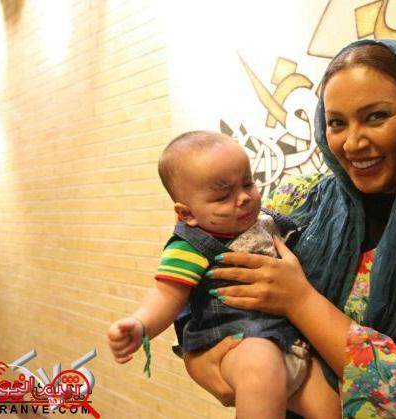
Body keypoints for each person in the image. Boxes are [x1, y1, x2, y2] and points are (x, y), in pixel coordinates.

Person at [183, 39, 396, 418]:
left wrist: (300, 301)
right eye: (337, 123)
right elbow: (205, 269)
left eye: (376, 116)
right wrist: (197, 356)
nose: (353, 142)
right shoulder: (298, 200)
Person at [107, 131, 341, 419]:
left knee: (336, 408)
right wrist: (141, 325)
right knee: (261, 370)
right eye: (222, 196)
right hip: (239, 343)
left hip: (293, 341)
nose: (243, 198)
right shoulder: (190, 246)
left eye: (248, 183)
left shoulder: (268, 221)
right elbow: (167, 294)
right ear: (186, 214)